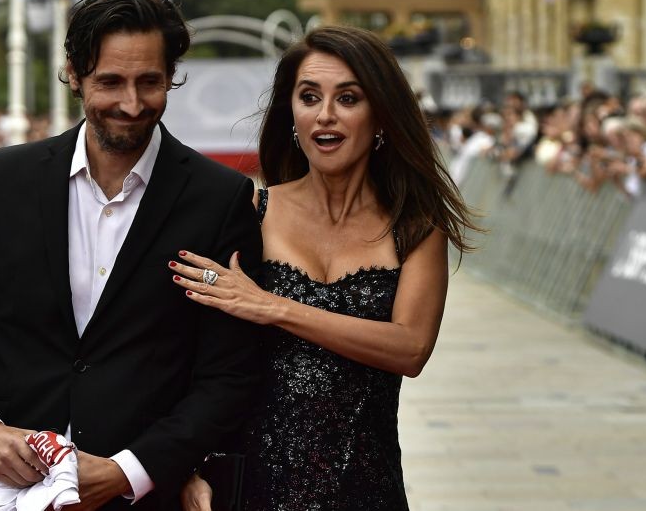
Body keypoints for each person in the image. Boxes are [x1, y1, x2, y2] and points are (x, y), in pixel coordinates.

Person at [0, 0, 263, 511]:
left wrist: (128, 471)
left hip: (146, 495)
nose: (131, 104)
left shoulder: (220, 198)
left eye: (150, 82)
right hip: (7, 489)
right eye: (110, 81)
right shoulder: (6, 179)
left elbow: (230, 373)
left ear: (171, 76)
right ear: (74, 73)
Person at [174, 25, 479, 511]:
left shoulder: (417, 227)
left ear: (381, 115)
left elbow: (411, 348)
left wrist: (273, 307)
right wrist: (185, 466)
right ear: (292, 114)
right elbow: (187, 357)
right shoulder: (250, 212)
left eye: (348, 98)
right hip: (252, 489)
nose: (325, 115)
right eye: (310, 97)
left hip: (367, 490)